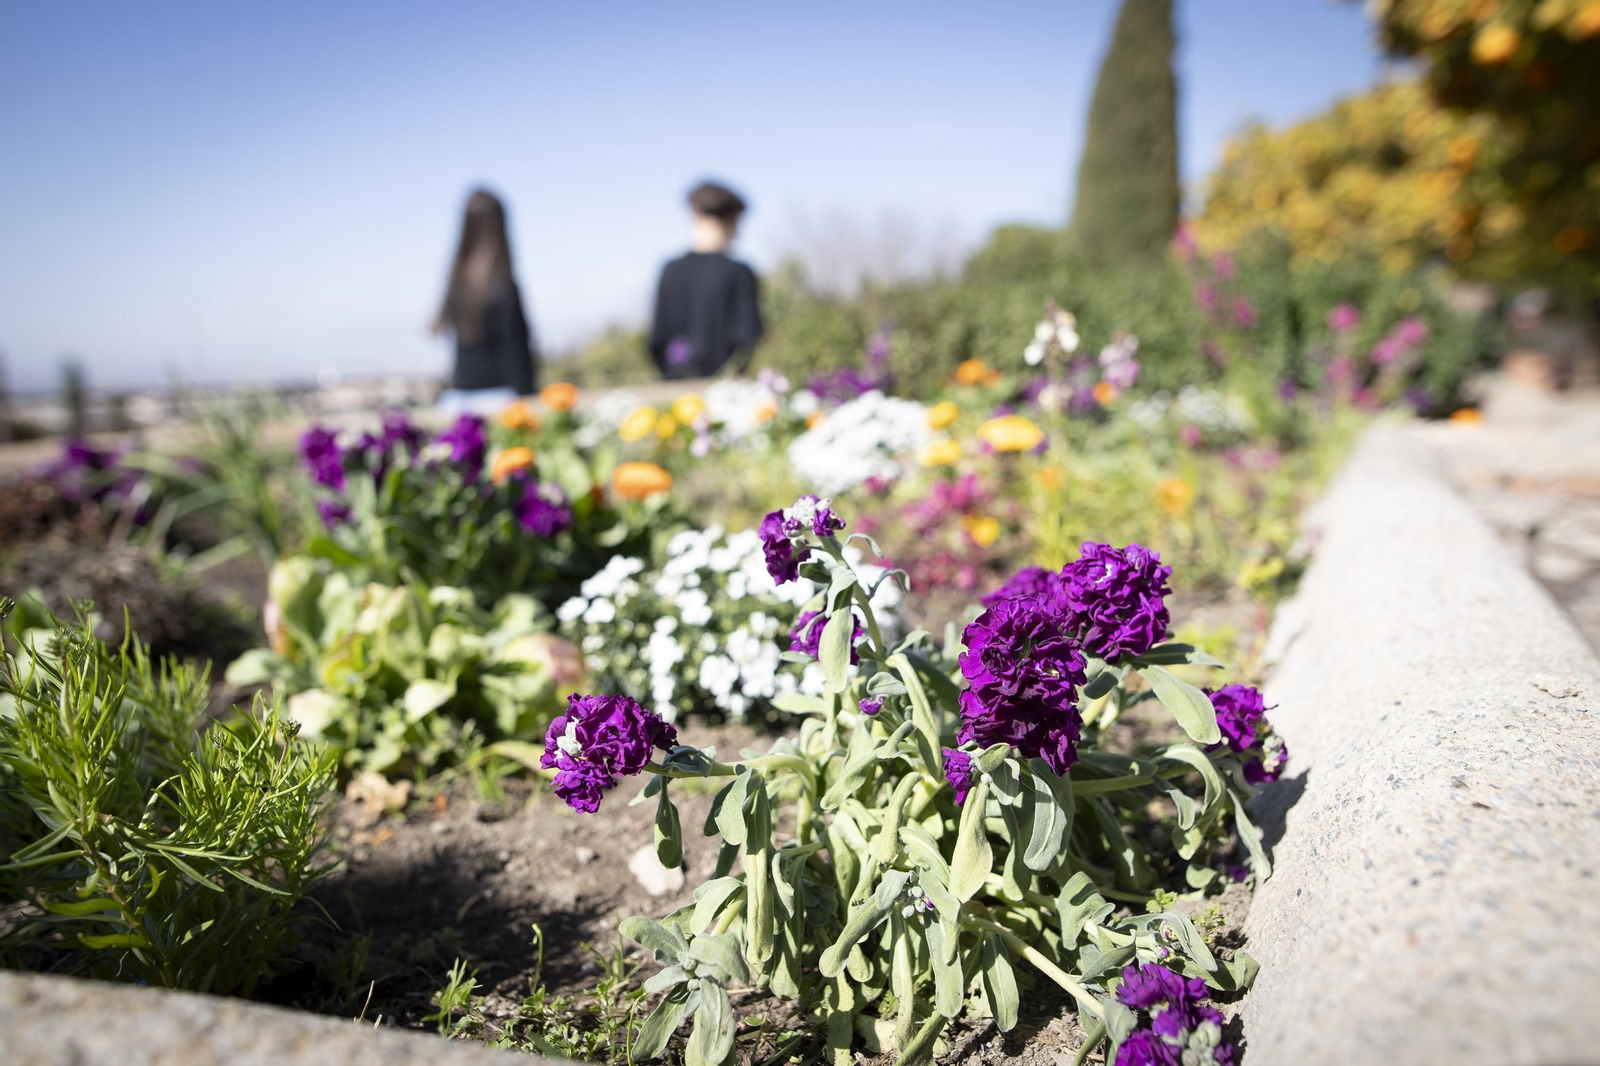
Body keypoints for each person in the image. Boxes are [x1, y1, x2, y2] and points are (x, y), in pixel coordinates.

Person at [434, 189, 537, 412]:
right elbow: (517, 352)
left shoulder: (456, 285)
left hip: (458, 400)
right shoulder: (503, 286)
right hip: (500, 399)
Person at [649, 181, 764, 380]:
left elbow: (657, 339)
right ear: (733, 219)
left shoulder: (670, 270)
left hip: (678, 392)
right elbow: (748, 336)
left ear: (695, 212)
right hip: (725, 391)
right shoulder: (739, 272)